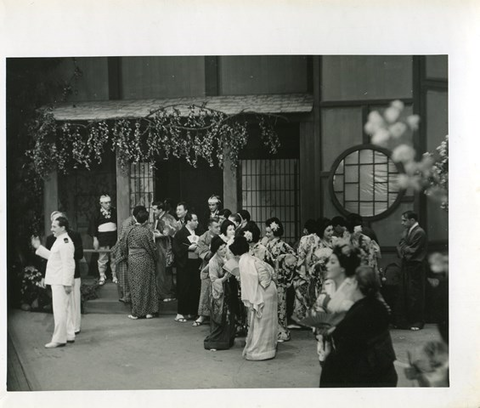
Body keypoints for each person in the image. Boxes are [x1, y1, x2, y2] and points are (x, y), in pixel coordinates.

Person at [320, 265, 397, 387]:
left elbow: (344, 352)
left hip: (363, 377)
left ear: (355, 285)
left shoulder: (359, 314)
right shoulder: (379, 307)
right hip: (385, 372)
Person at [230, 235, 278, 361]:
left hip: (263, 290)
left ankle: (259, 350)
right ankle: (267, 349)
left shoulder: (244, 261)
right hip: (268, 289)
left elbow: (257, 280)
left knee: (260, 321)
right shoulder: (249, 258)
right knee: (264, 322)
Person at [31, 217, 76, 348]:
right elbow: (53, 257)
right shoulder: (60, 240)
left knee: (59, 310)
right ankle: (68, 334)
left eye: (55, 226)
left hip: (61, 281)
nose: (52, 229)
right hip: (59, 280)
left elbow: (69, 264)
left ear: (63, 228)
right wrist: (38, 247)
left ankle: (59, 339)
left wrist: (67, 283)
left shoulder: (65, 242)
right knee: (64, 309)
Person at [45, 211, 83, 335]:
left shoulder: (73, 236)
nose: (53, 227)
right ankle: (65, 329)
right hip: (58, 276)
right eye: (53, 222)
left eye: (57, 222)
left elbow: (78, 255)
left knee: (74, 302)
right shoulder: (51, 239)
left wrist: (66, 254)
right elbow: (51, 257)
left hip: (73, 274)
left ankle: (75, 327)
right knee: (62, 306)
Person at [120, 209, 159, 320]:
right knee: (147, 285)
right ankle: (149, 312)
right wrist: (155, 257)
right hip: (145, 259)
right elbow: (151, 247)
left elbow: (123, 245)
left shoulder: (129, 230)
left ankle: (136, 312)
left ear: (136, 218)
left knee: (135, 285)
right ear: (146, 220)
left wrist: (127, 256)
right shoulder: (146, 231)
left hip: (132, 259)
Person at [203, 235, 239, 351]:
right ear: (215, 250)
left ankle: (228, 339)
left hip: (227, 290)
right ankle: (216, 342)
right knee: (220, 317)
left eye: (224, 248)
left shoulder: (225, 258)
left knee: (228, 316)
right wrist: (225, 277)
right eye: (221, 249)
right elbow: (214, 280)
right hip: (218, 292)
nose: (224, 250)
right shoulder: (213, 262)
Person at [264, 217, 296, 342]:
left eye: (269, 232)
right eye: (266, 232)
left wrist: (282, 259)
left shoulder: (283, 245)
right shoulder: (266, 244)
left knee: (281, 305)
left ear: (275, 231)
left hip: (280, 279)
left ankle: (282, 331)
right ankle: (273, 331)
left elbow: (293, 259)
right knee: (272, 305)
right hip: (271, 277)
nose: (267, 234)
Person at [395, 211, 428, 331]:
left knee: (415, 294)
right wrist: (404, 248)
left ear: (412, 220)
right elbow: (400, 246)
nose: (402, 223)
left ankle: (417, 321)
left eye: (404, 220)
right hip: (408, 266)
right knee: (406, 293)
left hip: (415, 267)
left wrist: (403, 248)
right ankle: (407, 321)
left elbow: (412, 250)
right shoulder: (408, 231)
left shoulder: (419, 232)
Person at [111, 205, 146, 303]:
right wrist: (125, 254)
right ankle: (125, 297)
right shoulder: (128, 222)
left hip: (129, 252)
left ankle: (129, 296)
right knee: (124, 277)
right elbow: (123, 239)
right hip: (123, 252)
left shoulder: (135, 222)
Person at [172, 212, 201, 322]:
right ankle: (180, 313)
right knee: (184, 287)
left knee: (194, 287)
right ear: (188, 221)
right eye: (195, 220)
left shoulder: (198, 232)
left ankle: (192, 312)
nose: (197, 222)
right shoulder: (180, 234)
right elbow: (176, 249)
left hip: (195, 264)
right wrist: (188, 248)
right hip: (184, 264)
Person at [194, 216, 221, 326]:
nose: (218, 229)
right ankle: (202, 315)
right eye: (216, 227)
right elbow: (204, 254)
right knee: (205, 292)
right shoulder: (203, 238)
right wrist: (213, 248)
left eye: (219, 226)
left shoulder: (222, 236)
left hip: (221, 267)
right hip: (208, 267)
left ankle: (218, 316)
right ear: (209, 227)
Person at [88, 194, 118, 285]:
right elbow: (93, 227)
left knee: (114, 258)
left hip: (113, 238)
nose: (108, 204)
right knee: (102, 258)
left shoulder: (115, 211)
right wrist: (95, 239)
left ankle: (114, 275)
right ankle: (102, 275)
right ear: (101, 203)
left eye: (109, 202)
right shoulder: (96, 213)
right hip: (102, 238)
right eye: (106, 203)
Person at [152, 201, 177, 303]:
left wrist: (158, 235)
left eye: (155, 209)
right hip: (161, 247)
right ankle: (162, 293)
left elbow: (169, 232)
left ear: (160, 209)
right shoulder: (161, 218)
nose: (153, 212)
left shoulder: (166, 218)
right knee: (161, 271)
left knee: (164, 271)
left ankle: (167, 294)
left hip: (165, 247)